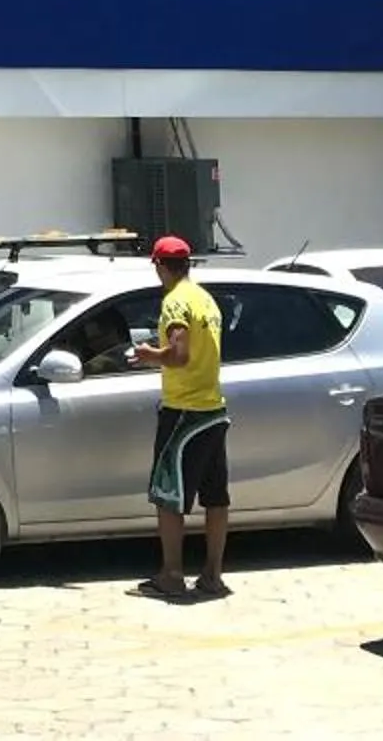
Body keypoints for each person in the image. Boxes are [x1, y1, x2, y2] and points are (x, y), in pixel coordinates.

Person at [127, 233, 228, 601]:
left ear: (159, 265)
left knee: (168, 496)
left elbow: (180, 353)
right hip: (214, 409)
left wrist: (148, 354)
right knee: (216, 496)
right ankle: (213, 575)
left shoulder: (175, 303)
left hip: (183, 410)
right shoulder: (205, 299)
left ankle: (171, 575)